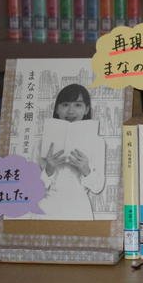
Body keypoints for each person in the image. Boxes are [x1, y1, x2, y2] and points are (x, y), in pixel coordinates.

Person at [38, 83, 105, 220]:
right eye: (65, 105)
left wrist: (85, 169)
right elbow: (33, 188)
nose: (70, 111)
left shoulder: (97, 141)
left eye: (78, 105)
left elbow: (98, 187)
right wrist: (49, 170)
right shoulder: (41, 141)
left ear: (86, 109)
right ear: (57, 109)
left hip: (79, 209)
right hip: (47, 209)